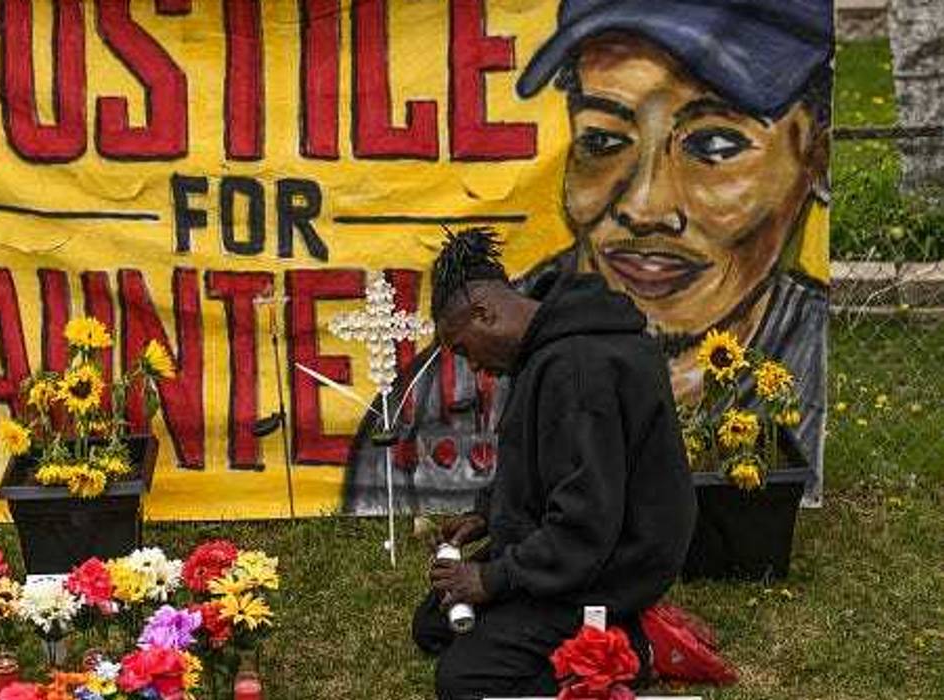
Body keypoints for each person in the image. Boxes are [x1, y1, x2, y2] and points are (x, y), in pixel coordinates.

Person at [343, 0, 831, 513]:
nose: (644, 207)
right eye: (601, 139)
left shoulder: (802, 370)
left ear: (814, 151)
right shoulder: (438, 401)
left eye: (713, 145)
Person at [411, 228, 696, 699]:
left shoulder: (577, 370)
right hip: (580, 551)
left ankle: (627, 650)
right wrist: (487, 513)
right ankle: (589, 633)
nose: (473, 368)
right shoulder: (549, 344)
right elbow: (550, 465)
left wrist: (490, 579)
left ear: (484, 313)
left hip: (609, 568)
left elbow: (585, 524)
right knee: (434, 624)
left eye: (463, 349)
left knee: (463, 681)